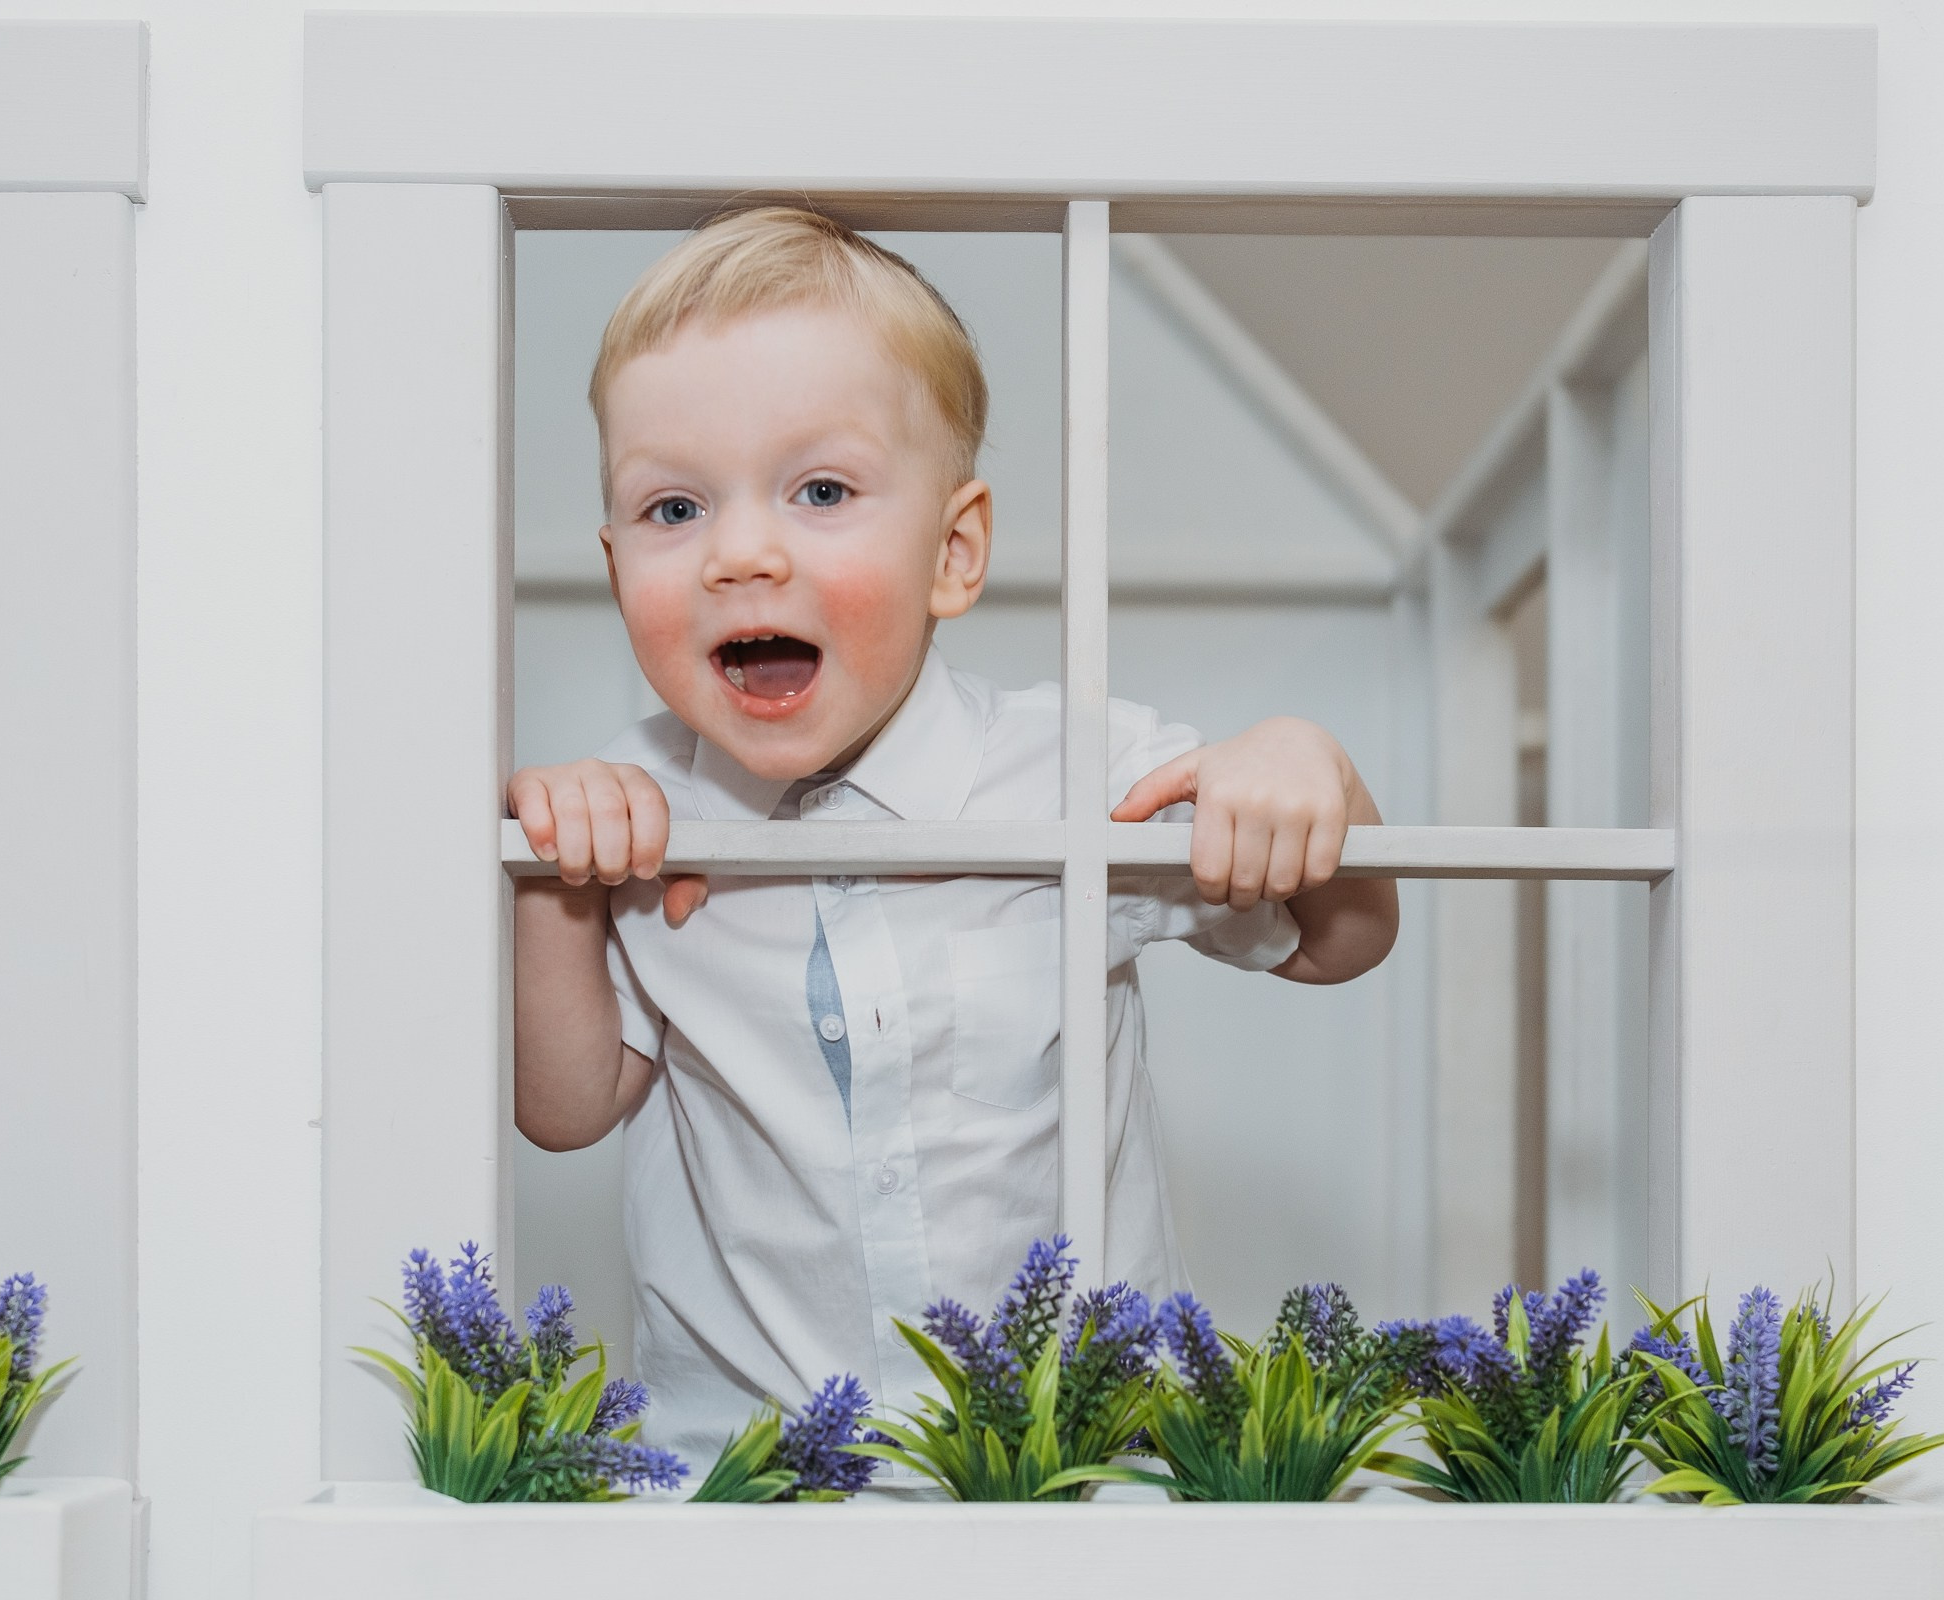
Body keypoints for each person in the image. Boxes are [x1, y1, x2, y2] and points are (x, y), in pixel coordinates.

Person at [507, 208, 1399, 1465]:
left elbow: (1341, 944)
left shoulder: (1077, 770)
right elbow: (563, 1107)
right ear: (614, 569)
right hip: (747, 1489)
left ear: (955, 550)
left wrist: (1315, 774)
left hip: (1080, 1479)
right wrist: (553, 871)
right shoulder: (636, 803)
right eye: (671, 508)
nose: (740, 552)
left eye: (821, 491)